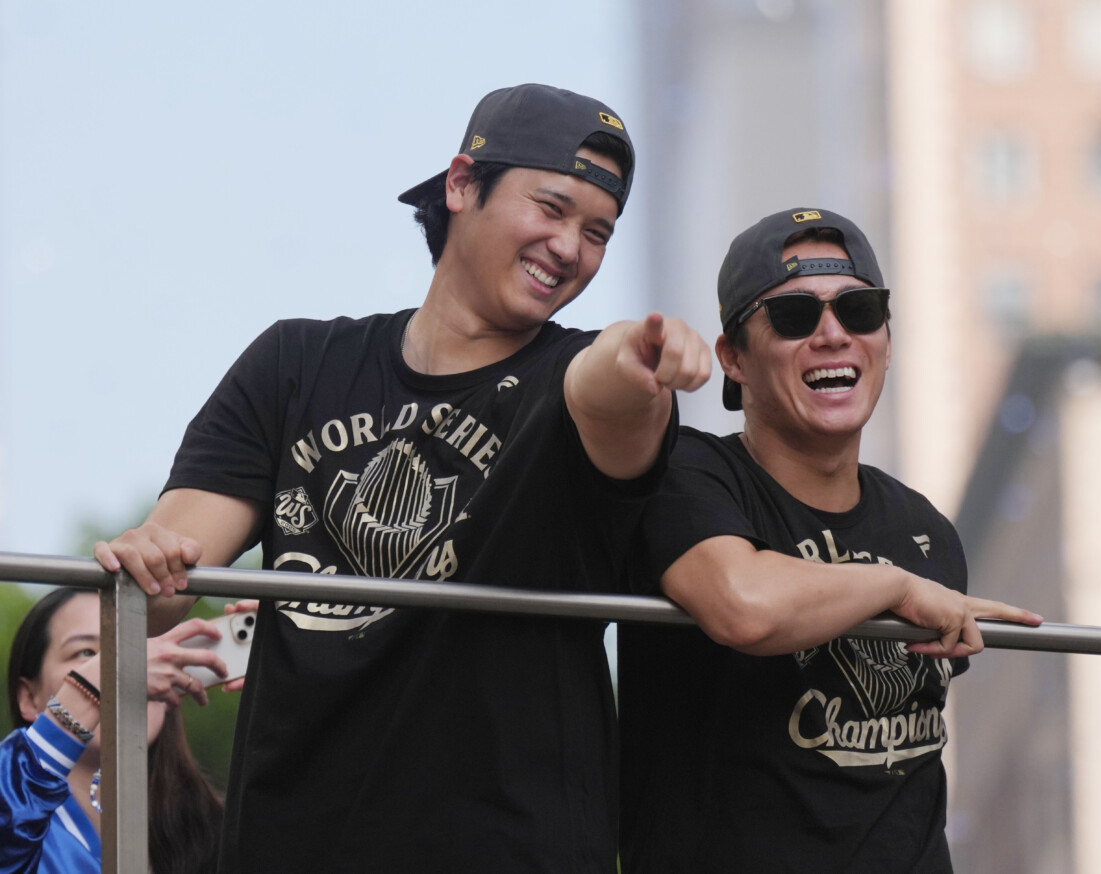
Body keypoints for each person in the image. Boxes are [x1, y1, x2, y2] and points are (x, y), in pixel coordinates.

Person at [93, 83, 710, 872]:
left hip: (510, 848)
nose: (570, 248)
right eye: (551, 208)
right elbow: (173, 565)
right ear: (461, 184)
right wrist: (150, 560)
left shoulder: (574, 372)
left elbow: (607, 396)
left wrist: (636, 355)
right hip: (294, 843)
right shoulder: (296, 364)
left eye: (598, 233)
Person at [617, 207, 1043, 873]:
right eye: (793, 317)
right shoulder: (690, 476)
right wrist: (894, 587)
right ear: (735, 359)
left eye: (860, 310)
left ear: (886, 339)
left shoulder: (924, 529)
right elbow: (743, 605)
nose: (833, 334)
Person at [1, 587, 226, 874]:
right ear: (28, 697)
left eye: (140, 652)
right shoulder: (13, 815)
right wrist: (92, 687)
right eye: (86, 653)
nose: (132, 670)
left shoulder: (220, 828)